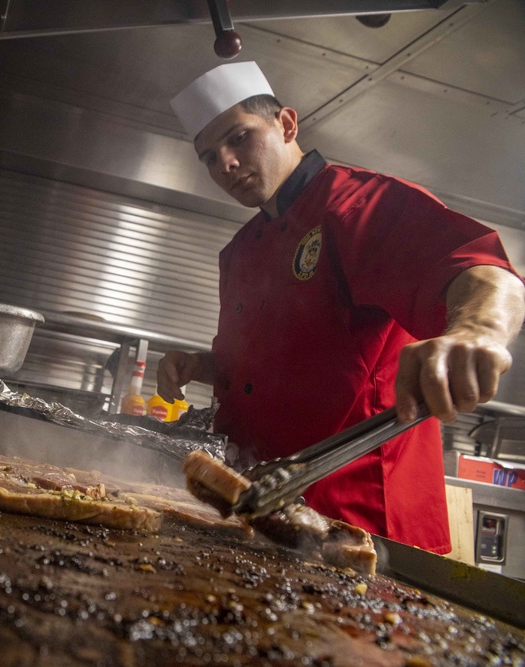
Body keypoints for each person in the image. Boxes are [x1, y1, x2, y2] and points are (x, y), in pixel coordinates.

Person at [158, 61, 524, 553]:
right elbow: (273, 365)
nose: (224, 163)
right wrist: (203, 366)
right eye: (208, 156)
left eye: (239, 138)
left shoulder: (361, 205)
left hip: (360, 524)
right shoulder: (241, 250)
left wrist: (476, 331)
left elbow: (478, 269)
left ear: (287, 124)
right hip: (258, 513)